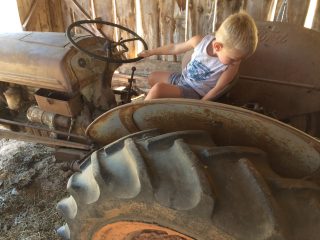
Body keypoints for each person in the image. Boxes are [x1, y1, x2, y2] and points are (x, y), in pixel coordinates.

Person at [138, 11, 258, 101]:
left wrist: (199, 105)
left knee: (159, 89)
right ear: (217, 47)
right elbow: (174, 48)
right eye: (233, 58)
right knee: (152, 77)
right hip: (183, 79)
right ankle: (166, 102)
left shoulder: (232, 66)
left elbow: (218, 89)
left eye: (240, 59)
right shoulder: (200, 41)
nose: (236, 62)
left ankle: (140, 115)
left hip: (194, 92)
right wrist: (151, 52)